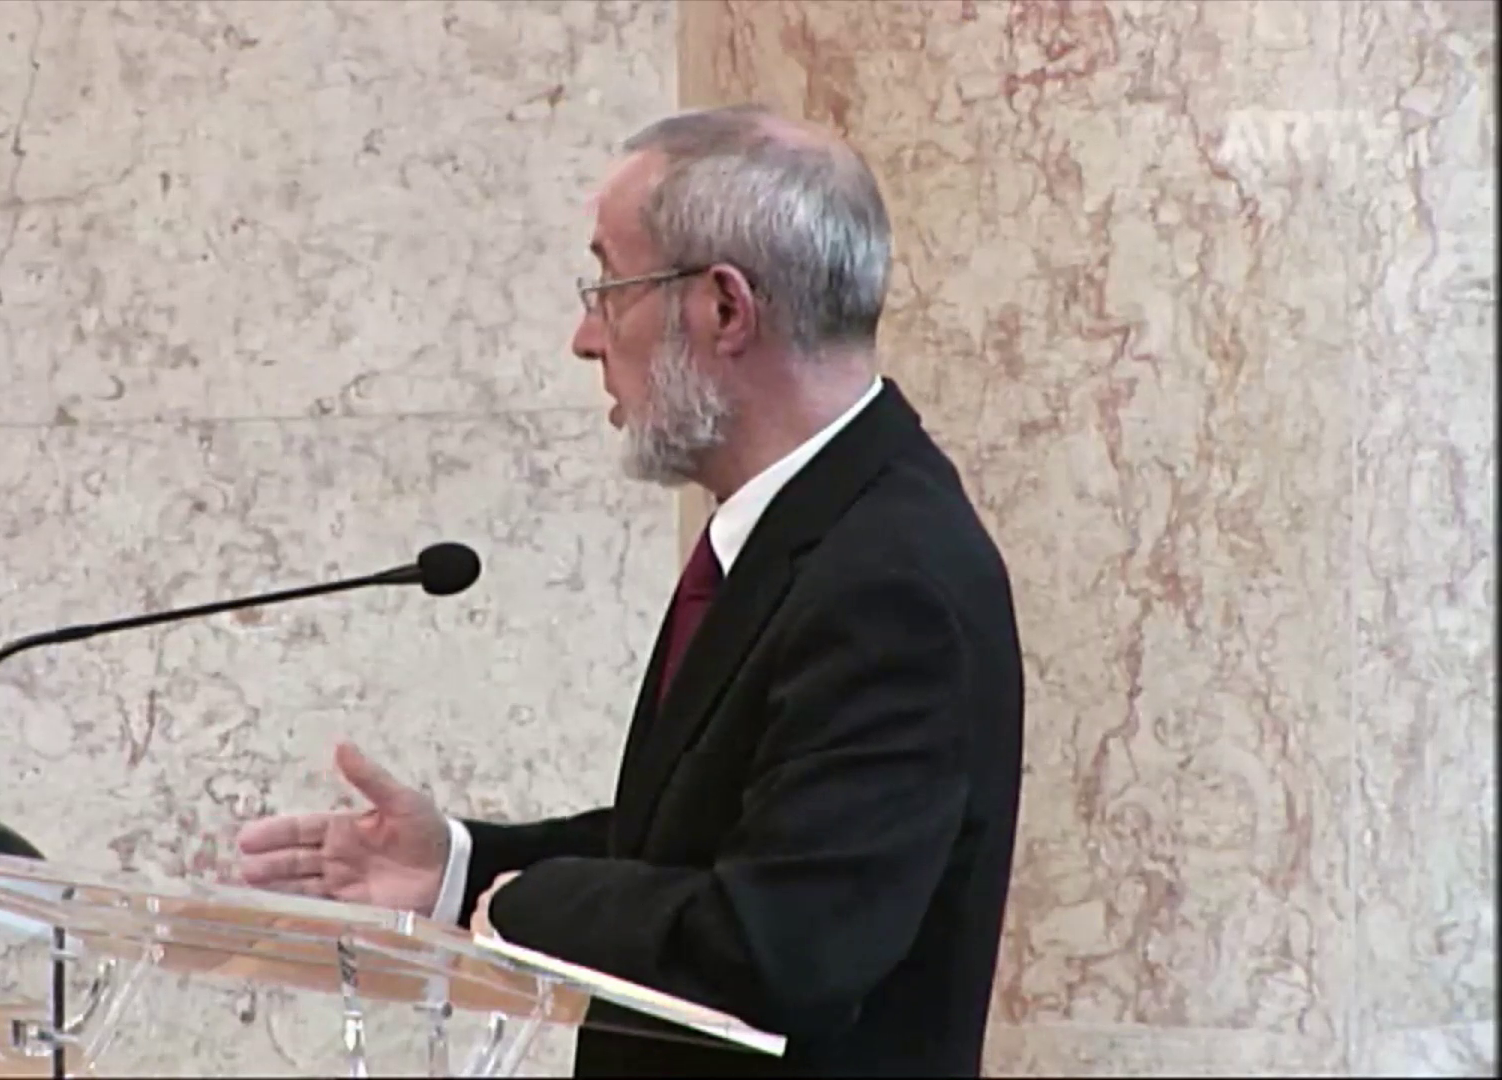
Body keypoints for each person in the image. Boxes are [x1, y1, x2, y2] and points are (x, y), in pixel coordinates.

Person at [236, 104, 1024, 1077]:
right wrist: (457, 869)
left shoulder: (888, 581)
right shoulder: (811, 531)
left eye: (609, 288)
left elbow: (783, 944)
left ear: (725, 309)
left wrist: (519, 907)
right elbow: (703, 847)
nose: (584, 337)